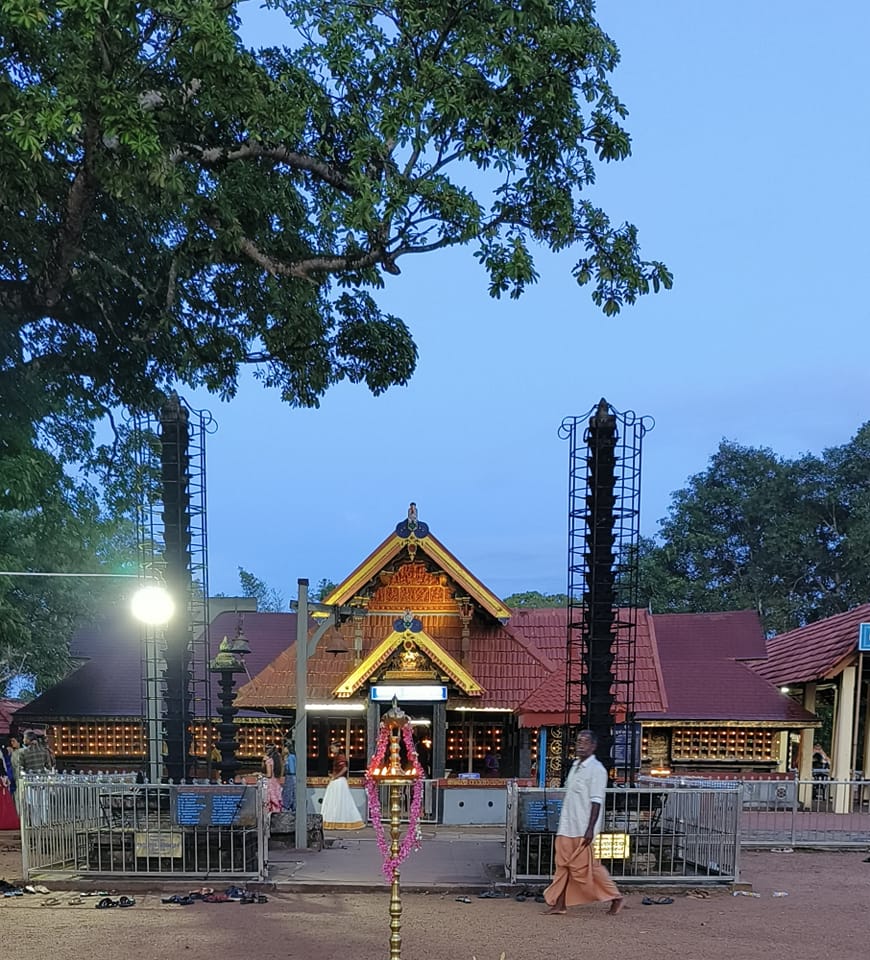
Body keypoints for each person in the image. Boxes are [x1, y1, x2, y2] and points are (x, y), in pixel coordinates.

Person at [543, 730, 623, 916]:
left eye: (585, 741)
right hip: (566, 826)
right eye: (579, 741)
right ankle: (559, 904)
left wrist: (589, 829)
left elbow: (596, 801)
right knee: (562, 866)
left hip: (582, 828)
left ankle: (615, 896)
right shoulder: (575, 766)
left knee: (587, 868)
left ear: (593, 746)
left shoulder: (597, 770)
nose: (580, 744)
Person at [320, 742, 364, 830]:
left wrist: (335, 776)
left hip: (339, 781)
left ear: (338, 748)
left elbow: (344, 768)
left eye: (332, 748)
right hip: (336, 781)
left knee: (339, 801)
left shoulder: (340, 757)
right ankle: (334, 820)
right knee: (334, 801)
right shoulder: (336, 757)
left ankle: (340, 820)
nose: (331, 750)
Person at [262, 743, 283, 814]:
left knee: (270, 801)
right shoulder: (277, 760)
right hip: (276, 782)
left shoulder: (268, 761)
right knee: (277, 800)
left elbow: (269, 775)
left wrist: (263, 762)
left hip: (270, 783)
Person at [282, 739, 297, 814]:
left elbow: (291, 770)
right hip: (293, 777)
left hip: (291, 777)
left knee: (289, 794)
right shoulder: (293, 756)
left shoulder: (290, 757)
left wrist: (285, 763)